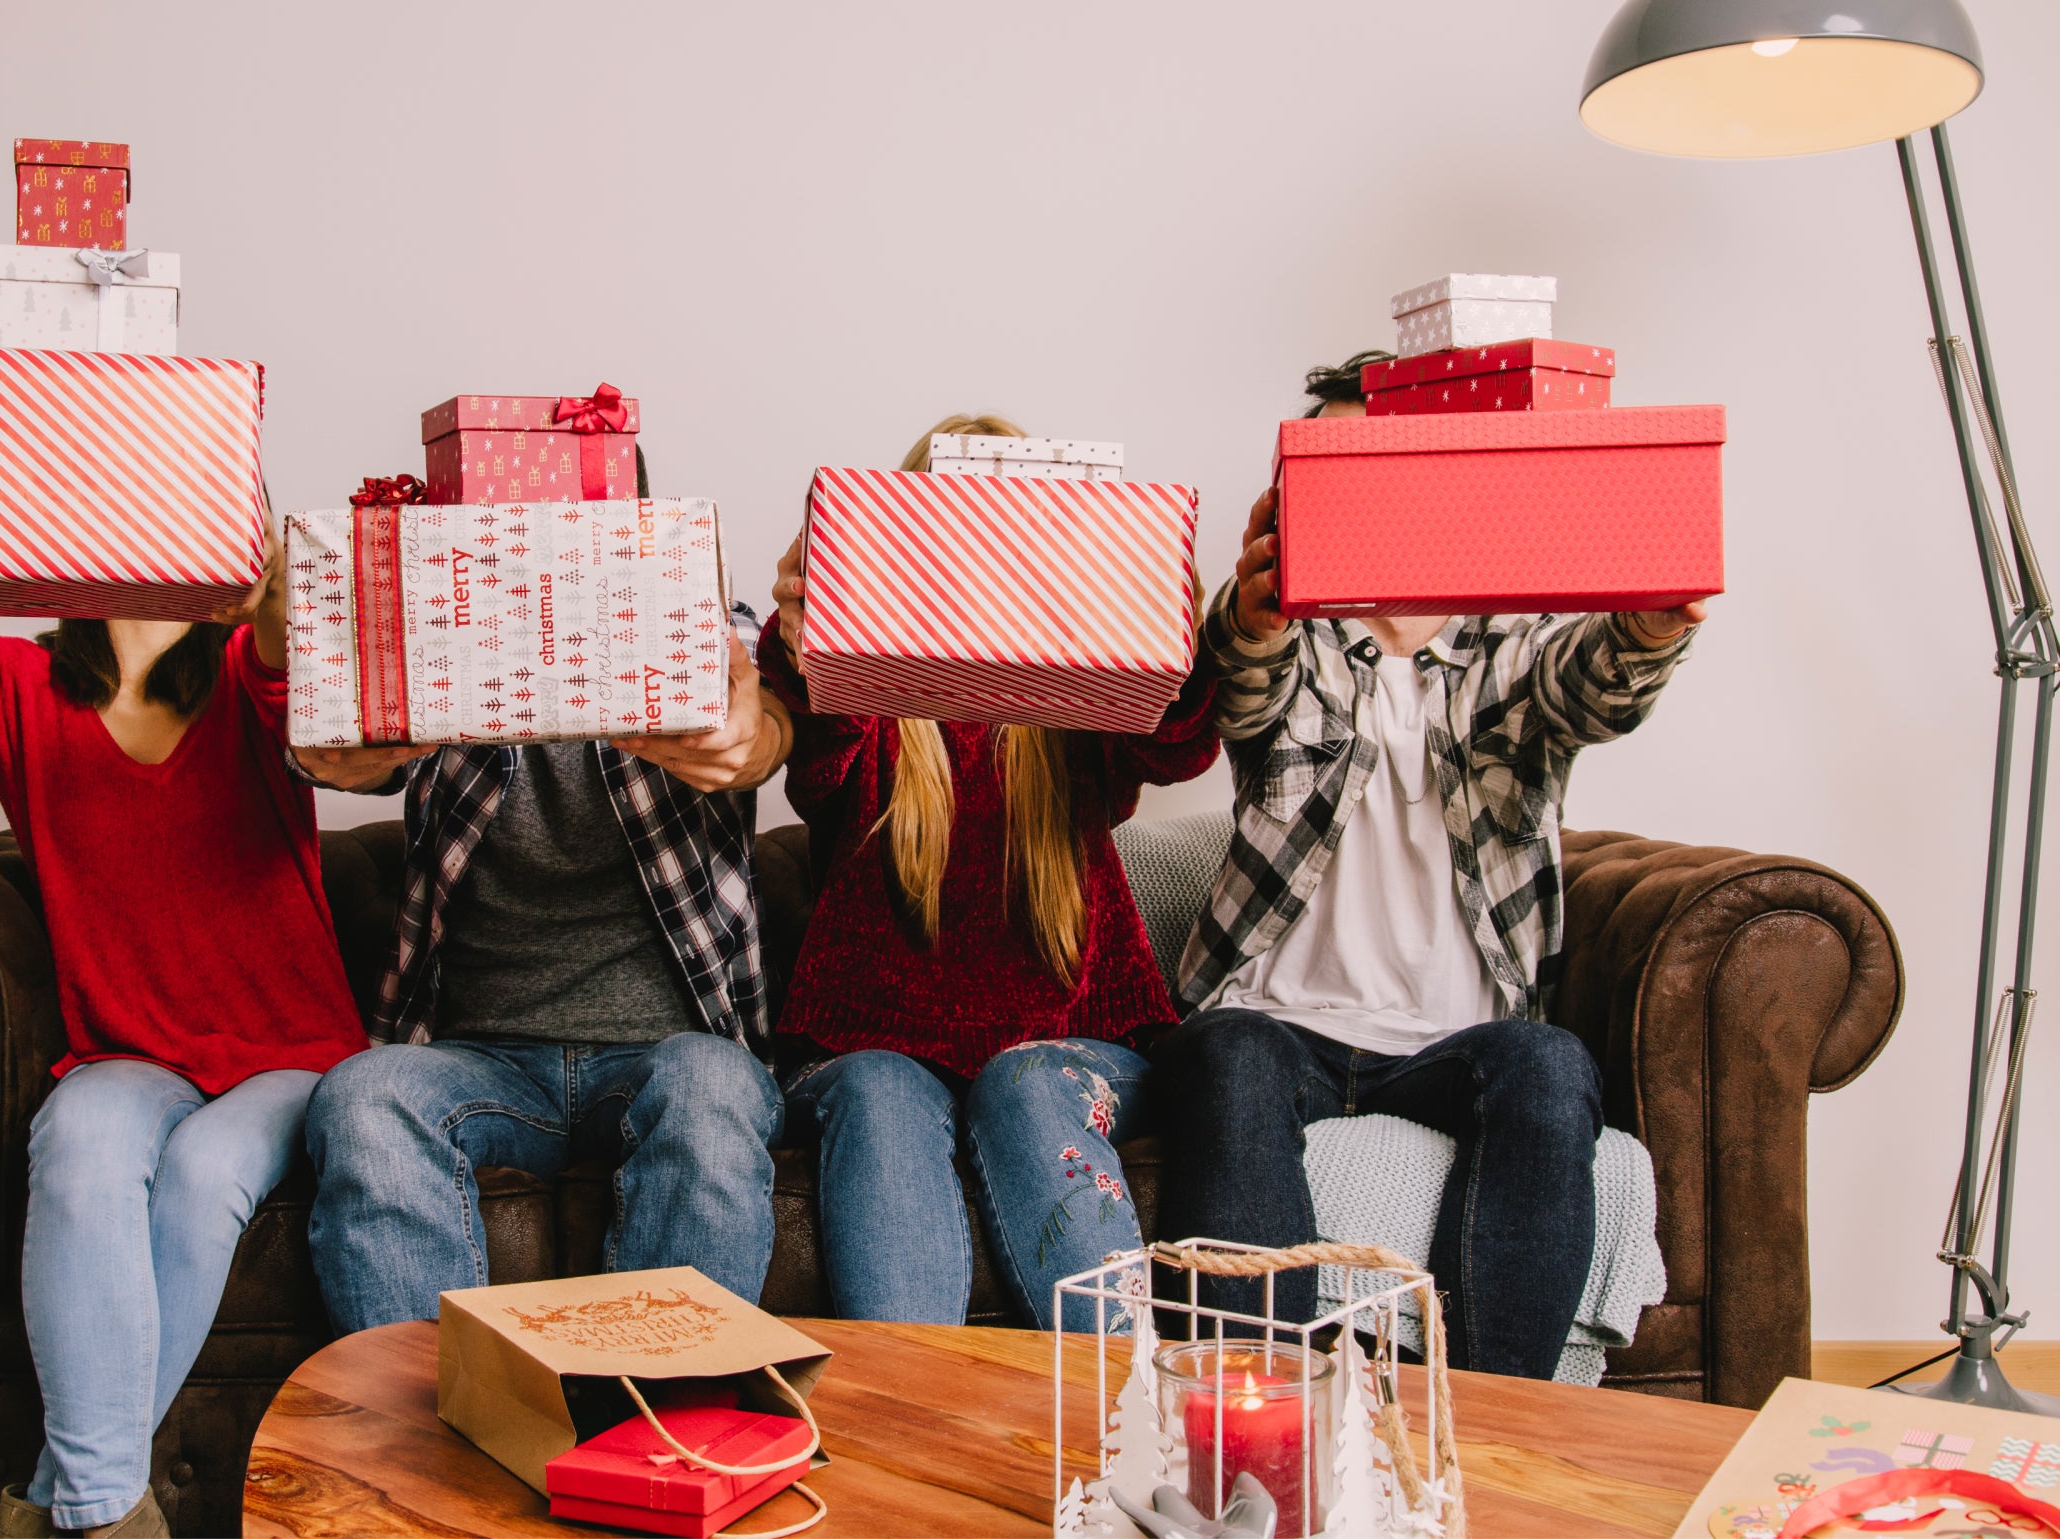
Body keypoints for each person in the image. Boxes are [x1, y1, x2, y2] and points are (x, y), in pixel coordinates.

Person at [1150, 354, 1707, 1378]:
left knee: (1549, 1064)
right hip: (1275, 1024)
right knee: (1225, 1055)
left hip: (1456, 1039)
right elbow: (1235, 690)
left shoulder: (1513, 632)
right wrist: (1254, 612)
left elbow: (1587, 689)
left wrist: (1648, 627)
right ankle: (1249, 1422)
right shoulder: (1288, 633)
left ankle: (1503, 1429)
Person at [0, 533, 366, 1538]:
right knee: (79, 1138)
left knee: (203, 1172)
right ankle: (106, 1512)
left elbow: (290, 665)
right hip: (127, 1050)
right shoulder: (18, 689)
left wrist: (274, 592)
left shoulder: (247, 673)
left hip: (293, 1051)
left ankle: (66, 1508)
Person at [756, 415, 1221, 1330]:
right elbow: (818, 757)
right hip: (872, 1046)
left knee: (1022, 1080)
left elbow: (1177, 745)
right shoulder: (876, 700)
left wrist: (1165, 630)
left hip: (1074, 1039)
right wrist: (817, 633)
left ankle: (1128, 1418)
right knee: (882, 1095)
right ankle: (908, 1424)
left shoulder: (1077, 683)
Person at [293, 602, 796, 1331]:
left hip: (667, 1055)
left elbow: (767, 726)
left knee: (712, 1082)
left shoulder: (703, 625)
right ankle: (424, 1435)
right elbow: (330, 746)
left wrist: (756, 741)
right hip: (484, 1061)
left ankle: (663, 1429)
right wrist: (330, 742)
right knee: (364, 1093)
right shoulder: (434, 627)